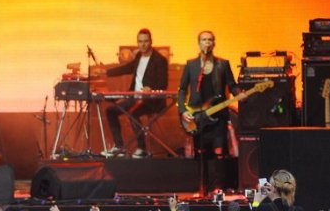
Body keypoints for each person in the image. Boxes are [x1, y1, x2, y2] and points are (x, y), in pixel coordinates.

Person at [177, 30, 245, 157]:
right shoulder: (191, 65)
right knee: (201, 153)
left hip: (218, 115)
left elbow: (232, 85)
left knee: (220, 153)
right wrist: (183, 110)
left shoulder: (222, 64)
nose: (207, 43)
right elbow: (182, 90)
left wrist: (239, 93)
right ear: (199, 43)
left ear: (214, 44)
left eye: (210, 40)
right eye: (204, 40)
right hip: (198, 116)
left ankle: (220, 169)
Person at [103, 29, 169, 158]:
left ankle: (141, 148)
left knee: (132, 111)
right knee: (111, 111)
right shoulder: (139, 56)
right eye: (140, 41)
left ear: (151, 42)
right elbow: (127, 68)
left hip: (151, 101)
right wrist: (106, 72)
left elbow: (163, 83)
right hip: (135, 98)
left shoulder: (159, 60)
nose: (143, 44)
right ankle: (119, 147)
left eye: (145, 41)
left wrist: (151, 88)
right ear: (137, 43)